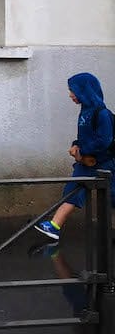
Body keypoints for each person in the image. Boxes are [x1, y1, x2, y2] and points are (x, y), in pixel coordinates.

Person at [36, 72, 114, 241]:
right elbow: (85, 136)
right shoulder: (85, 112)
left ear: (85, 91)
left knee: (112, 197)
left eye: (73, 90)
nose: (70, 94)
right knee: (72, 192)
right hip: (86, 164)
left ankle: (55, 226)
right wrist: (76, 144)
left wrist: (83, 150)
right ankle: (54, 226)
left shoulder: (102, 114)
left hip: (103, 164)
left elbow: (104, 140)